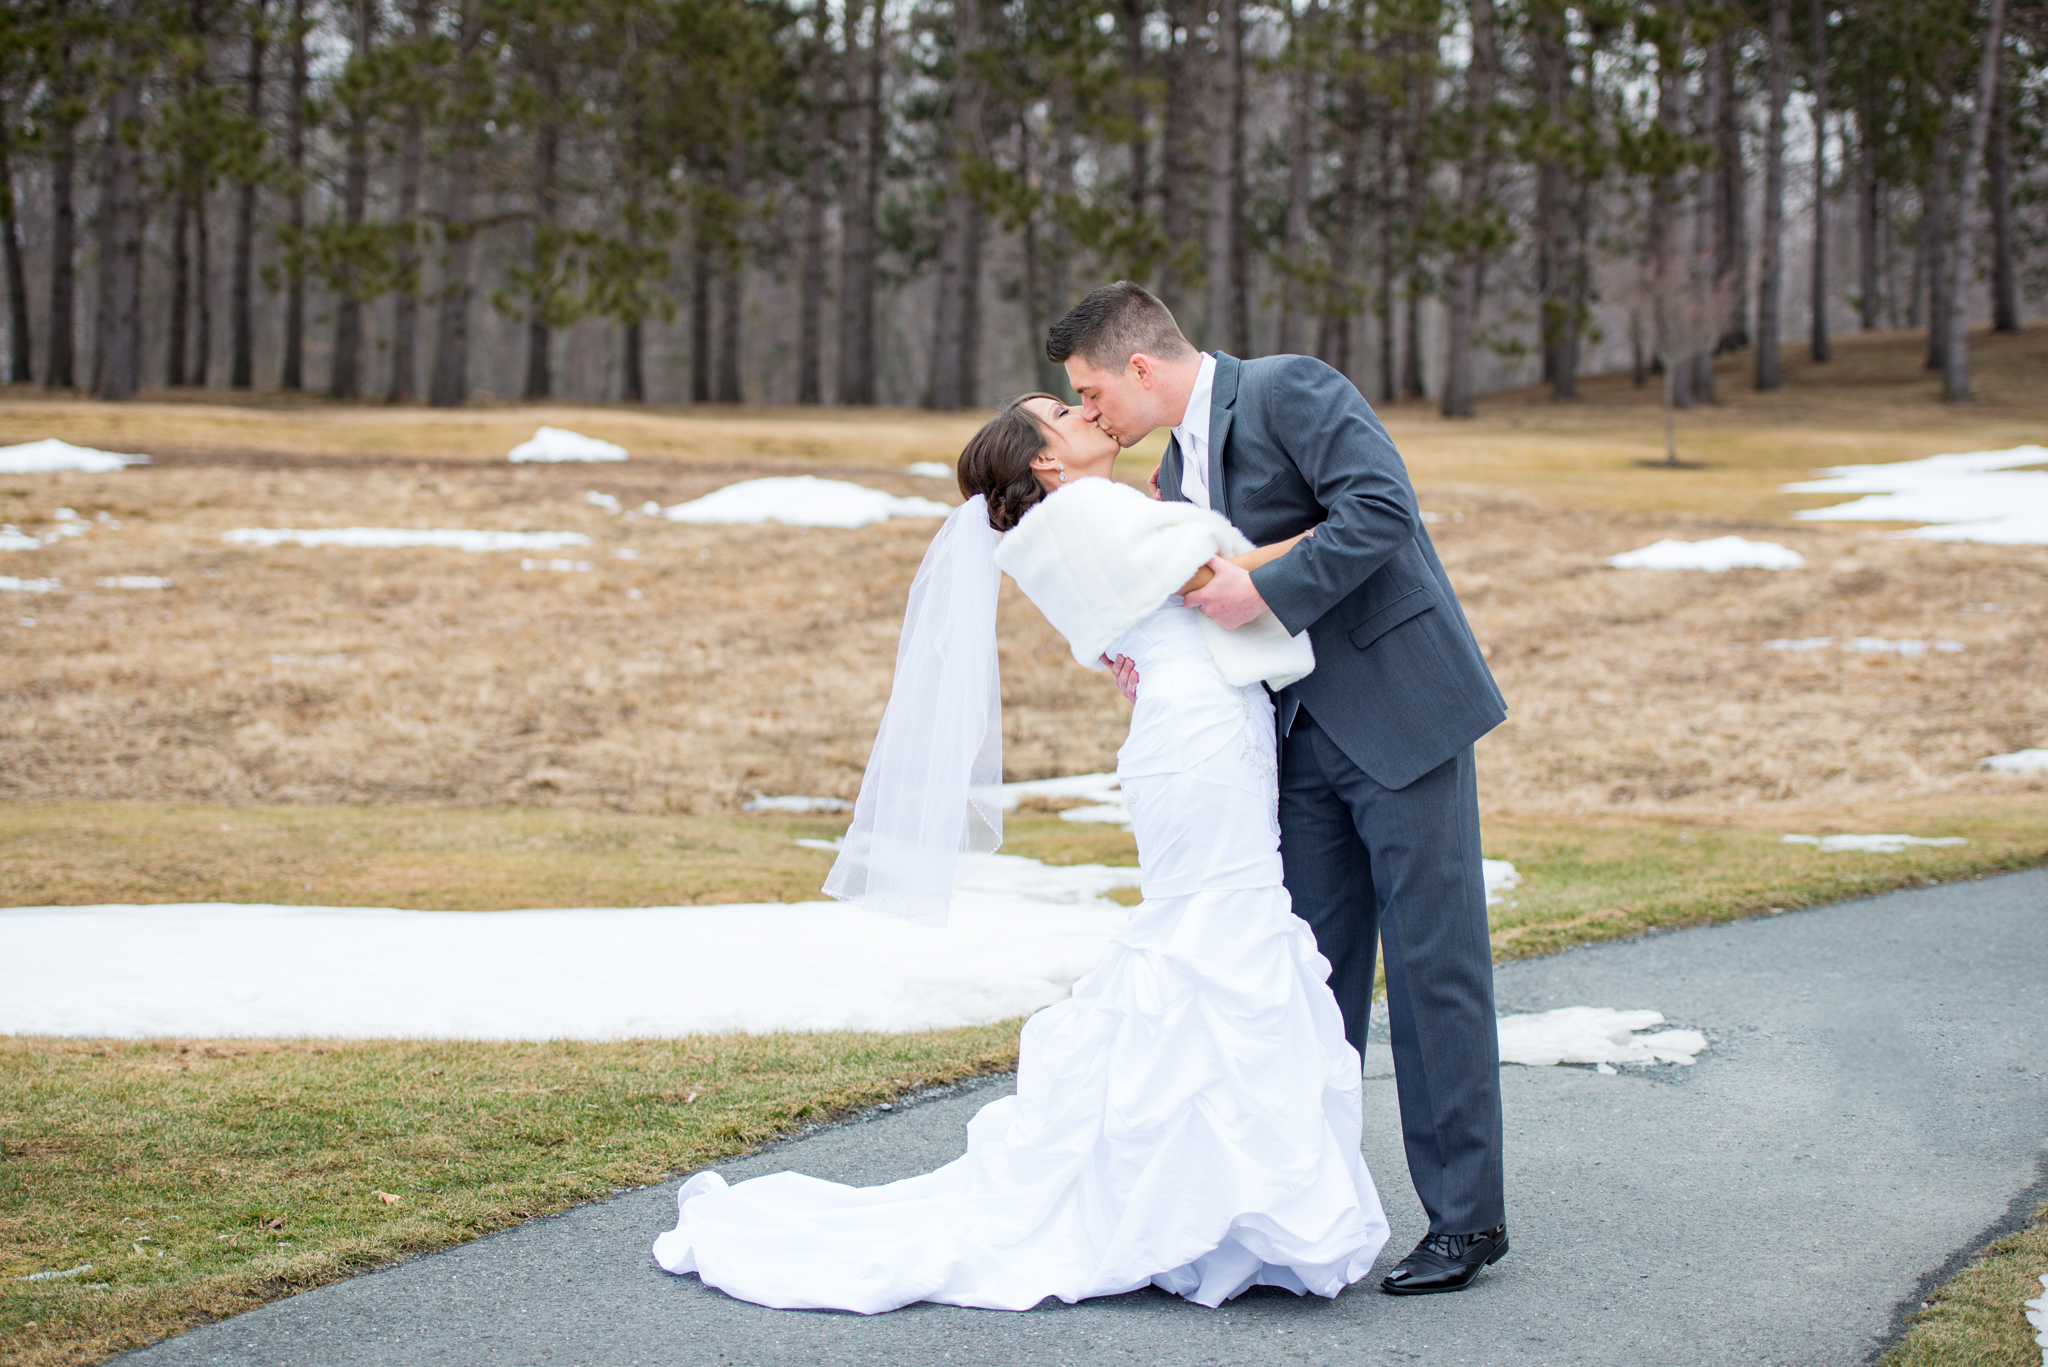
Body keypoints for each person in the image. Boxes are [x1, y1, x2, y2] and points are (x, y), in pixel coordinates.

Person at [651, 392, 1390, 1313]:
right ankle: (1217, 1204)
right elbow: (1220, 582)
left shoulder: (1060, 529)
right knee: (1221, 935)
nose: (1087, 413)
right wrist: (1338, 531)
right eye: (1063, 413)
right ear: (1044, 461)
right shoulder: (1092, 510)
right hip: (1200, 735)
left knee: (1215, 934)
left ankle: (1206, 1201)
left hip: (1192, 730)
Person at [1050, 281, 1510, 1296]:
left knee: (1433, 968)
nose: (1090, 412)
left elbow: (1381, 511)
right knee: (1308, 981)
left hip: (1399, 712)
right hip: (1291, 743)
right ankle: (1309, 1210)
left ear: (1138, 365)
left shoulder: (1289, 389)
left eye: (1089, 390)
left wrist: (1261, 586)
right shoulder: (1173, 470)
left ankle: (1466, 1220)